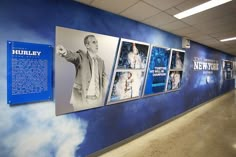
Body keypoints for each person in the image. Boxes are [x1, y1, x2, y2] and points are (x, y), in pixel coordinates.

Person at [56, 35, 107, 111]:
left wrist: (104, 95)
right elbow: (73, 56)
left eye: (97, 42)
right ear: (87, 45)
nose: (97, 44)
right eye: (93, 42)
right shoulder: (81, 56)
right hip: (81, 99)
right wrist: (65, 52)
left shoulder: (101, 61)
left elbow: (104, 78)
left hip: (97, 100)